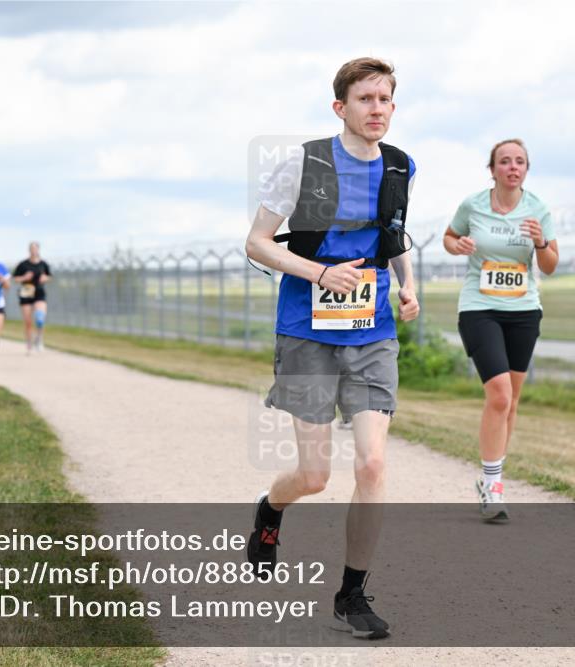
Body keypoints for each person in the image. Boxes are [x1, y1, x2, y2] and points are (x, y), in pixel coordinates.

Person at [244, 57, 419, 640]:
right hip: (307, 332)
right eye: (366, 99)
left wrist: (408, 287)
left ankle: (352, 594)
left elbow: (393, 235)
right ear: (340, 107)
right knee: (315, 475)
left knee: (372, 463)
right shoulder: (305, 162)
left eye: (385, 99)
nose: (377, 109)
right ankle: (271, 509)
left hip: (372, 333)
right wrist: (321, 273)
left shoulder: (399, 165)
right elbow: (257, 244)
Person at [442, 138, 559, 522]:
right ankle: (493, 485)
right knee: (499, 395)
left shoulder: (538, 209)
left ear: (526, 169)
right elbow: (449, 237)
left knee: (511, 401)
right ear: (492, 170)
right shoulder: (473, 204)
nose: (512, 167)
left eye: (519, 161)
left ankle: (492, 476)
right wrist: (458, 246)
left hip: (523, 311)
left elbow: (550, 265)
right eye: (505, 161)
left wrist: (540, 242)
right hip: (479, 307)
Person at [13, 242, 53, 354]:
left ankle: (39, 339)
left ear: (38, 249)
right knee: (28, 321)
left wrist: (45, 278)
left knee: (40, 318)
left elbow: (50, 276)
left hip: (39, 293)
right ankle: (29, 344)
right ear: (29, 250)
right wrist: (24, 277)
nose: (33, 250)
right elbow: (15, 278)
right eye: (32, 248)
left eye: (35, 248)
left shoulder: (43, 264)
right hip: (26, 292)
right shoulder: (23, 264)